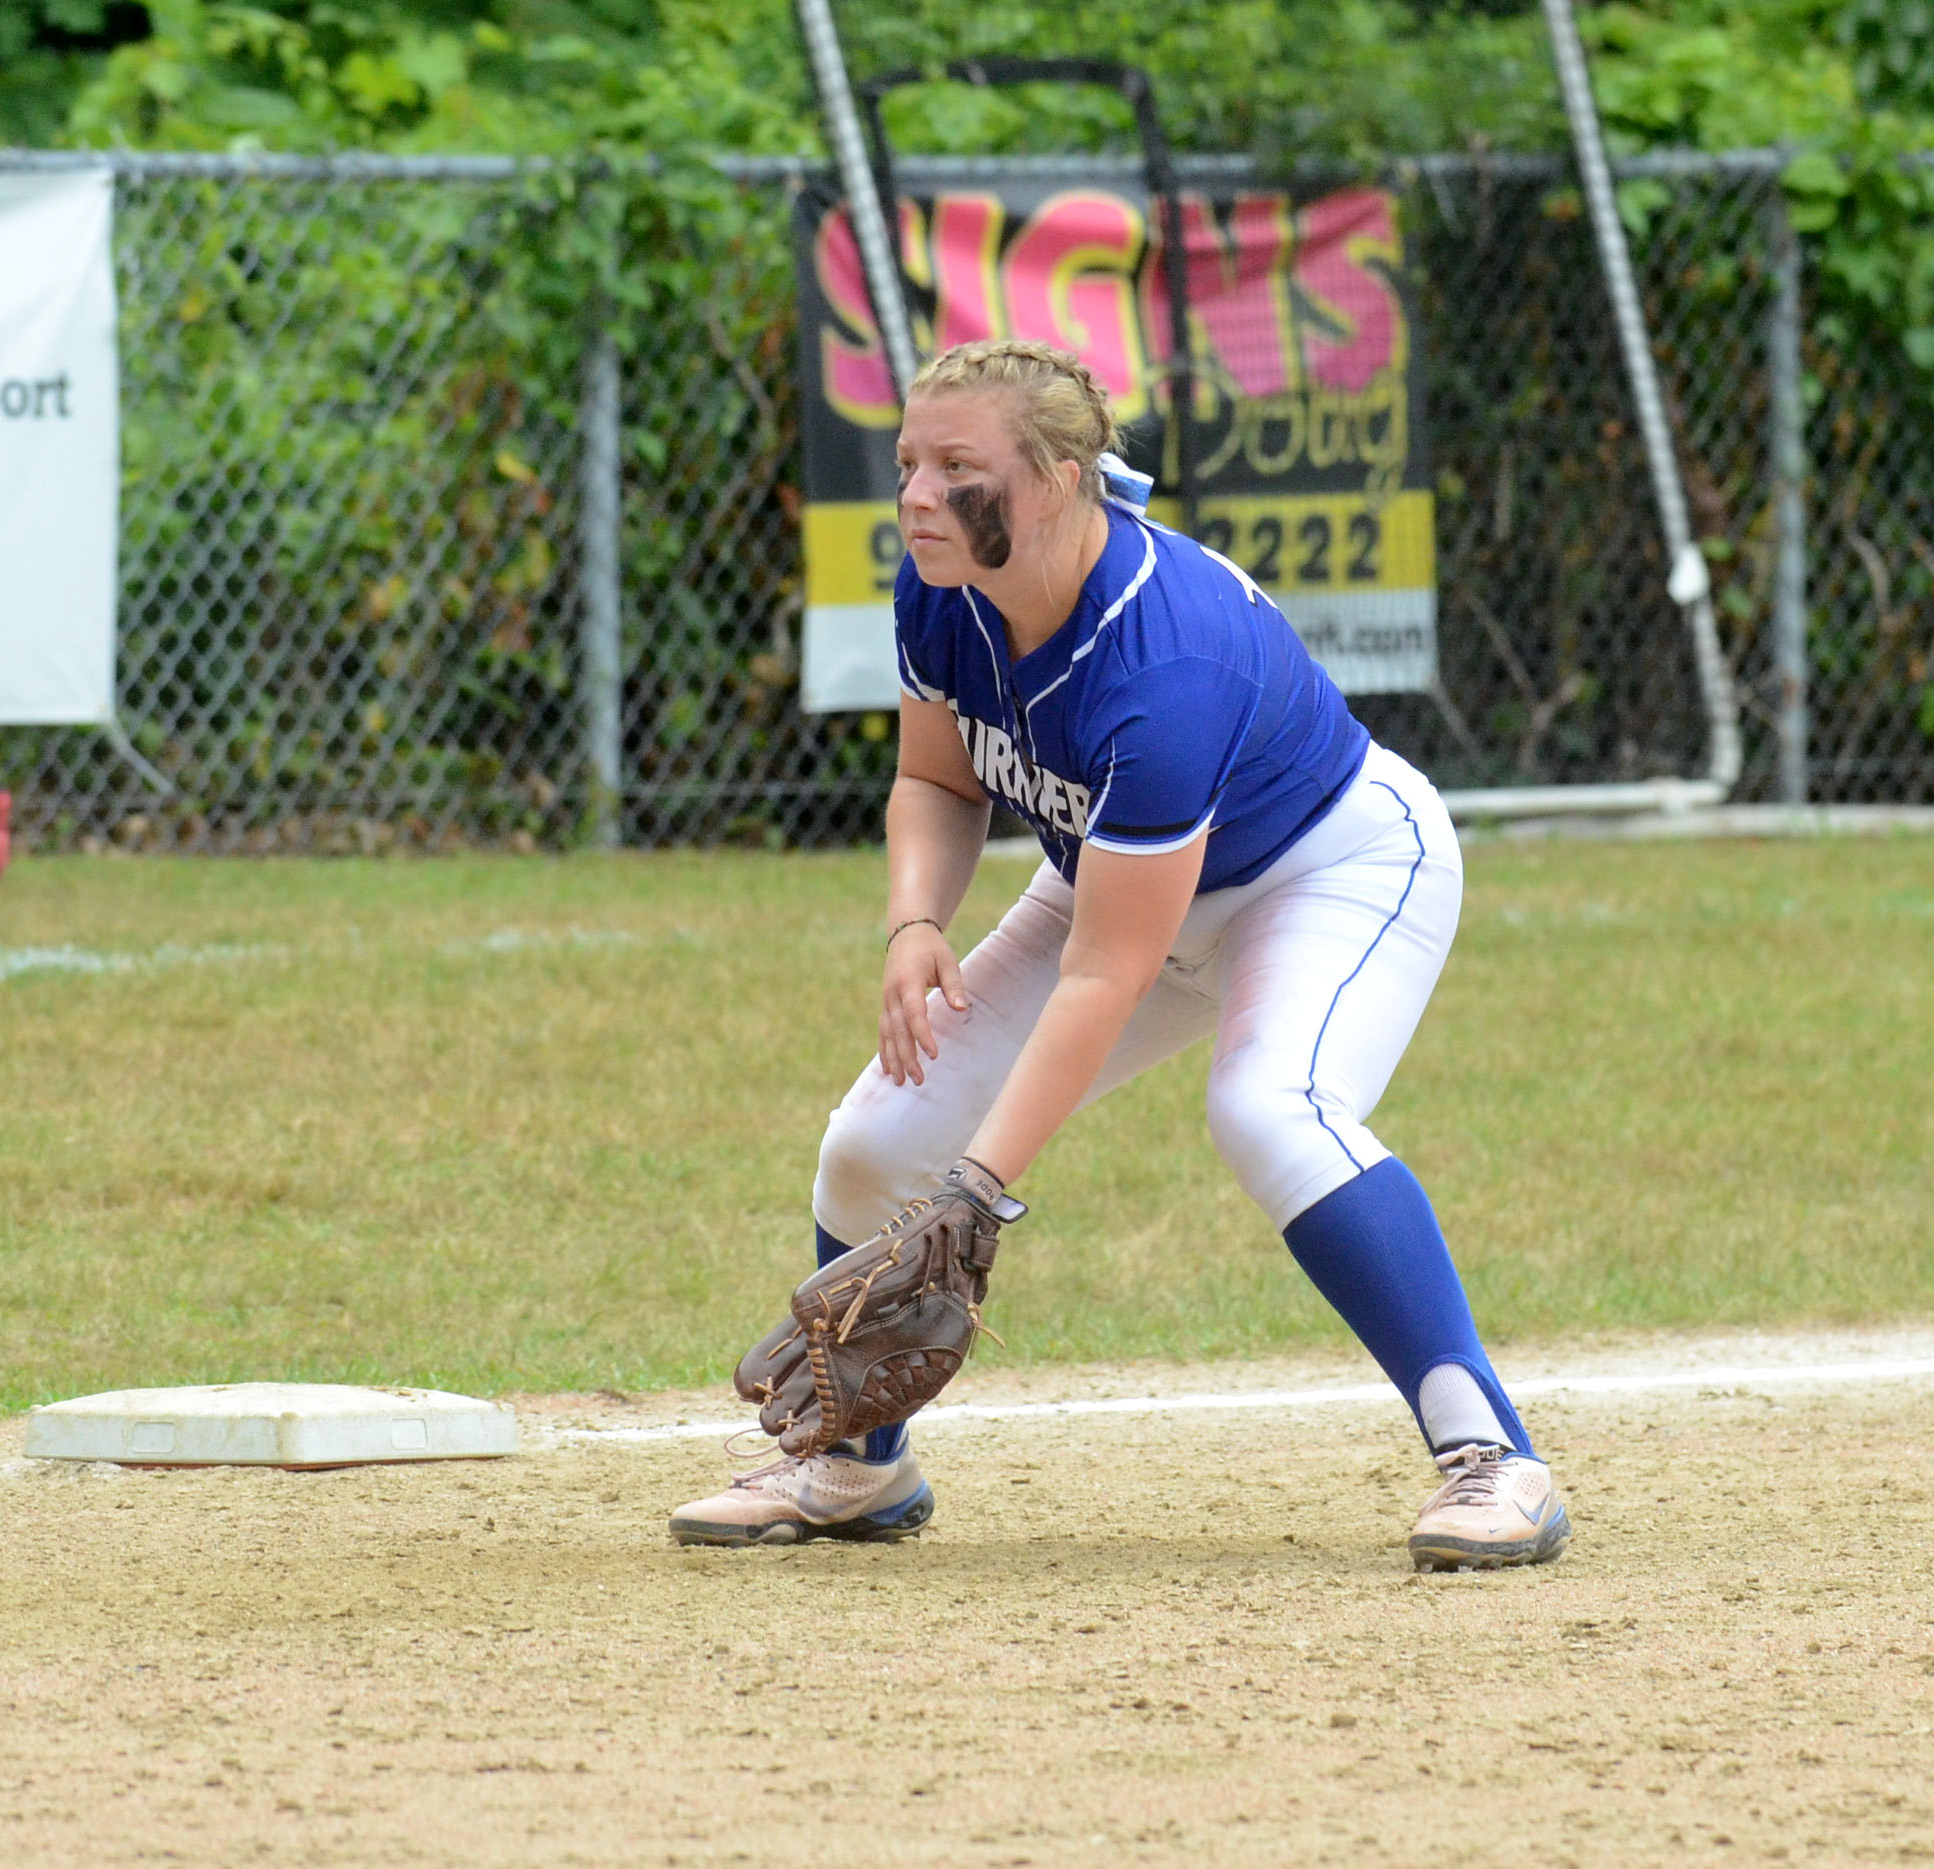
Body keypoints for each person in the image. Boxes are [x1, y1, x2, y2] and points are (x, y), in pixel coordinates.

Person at [667, 338, 1568, 1572]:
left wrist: (977, 1193)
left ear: (1057, 481)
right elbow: (936, 781)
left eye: (957, 469)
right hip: (1115, 881)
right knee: (875, 1142)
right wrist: (916, 923)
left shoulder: (1163, 655)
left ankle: (1495, 1459)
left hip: (1325, 872)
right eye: (909, 463)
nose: (918, 496)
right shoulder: (944, 584)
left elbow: (1108, 974)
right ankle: (857, 1466)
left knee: (1271, 1109)